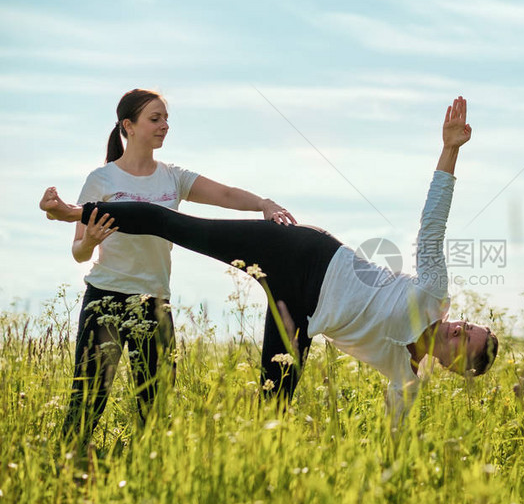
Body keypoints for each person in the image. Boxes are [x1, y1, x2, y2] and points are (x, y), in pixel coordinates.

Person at [41, 96, 499, 428]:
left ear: (455, 367)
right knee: (185, 229)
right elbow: (433, 222)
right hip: (304, 254)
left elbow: (399, 441)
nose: (458, 328)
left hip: (299, 314)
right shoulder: (433, 292)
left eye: (466, 342)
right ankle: (72, 212)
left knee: (274, 402)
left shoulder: (405, 377)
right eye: (468, 326)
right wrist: (451, 148)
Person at [58, 88, 296, 449]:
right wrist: (90, 241)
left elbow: (226, 194)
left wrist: (264, 204)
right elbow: (78, 251)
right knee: (88, 400)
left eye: (166, 119)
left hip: (154, 302)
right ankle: (67, 467)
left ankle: (149, 478)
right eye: (155, 119)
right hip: (104, 299)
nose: (164, 126)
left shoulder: (173, 177)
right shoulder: (102, 180)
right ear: (129, 126)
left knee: (155, 409)